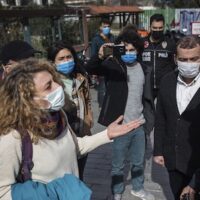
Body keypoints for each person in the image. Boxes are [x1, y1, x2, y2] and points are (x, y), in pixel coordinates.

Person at [0, 58, 141, 200]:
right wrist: (56, 192)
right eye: (48, 86)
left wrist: (106, 135)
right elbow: (3, 192)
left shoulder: (58, 115)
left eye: (54, 80)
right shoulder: (13, 137)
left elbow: (74, 147)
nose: (58, 86)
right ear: (27, 99)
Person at [86, 30, 155, 200]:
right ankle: (117, 191)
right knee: (118, 164)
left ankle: (137, 188)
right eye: (125, 50)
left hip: (139, 124)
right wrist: (100, 55)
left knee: (139, 162)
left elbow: (147, 96)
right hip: (120, 125)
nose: (129, 53)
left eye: (132, 50)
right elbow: (91, 68)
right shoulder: (113, 65)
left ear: (138, 50)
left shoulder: (144, 68)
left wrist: (149, 119)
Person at [153, 35, 200, 200]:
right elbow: (160, 119)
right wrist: (158, 150)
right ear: (175, 59)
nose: (188, 64)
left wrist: (194, 183)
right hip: (173, 161)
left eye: (193, 59)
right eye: (183, 59)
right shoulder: (167, 81)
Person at [47, 41, 93, 180]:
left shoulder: (80, 78)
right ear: (53, 62)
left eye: (69, 57)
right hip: (60, 139)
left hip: (81, 135)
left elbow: (87, 101)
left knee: (80, 175)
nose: (66, 61)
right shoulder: (49, 84)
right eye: (61, 59)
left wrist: (89, 118)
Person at [141, 13, 176, 99]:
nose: (158, 30)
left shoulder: (170, 43)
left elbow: (174, 64)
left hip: (165, 87)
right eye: (155, 28)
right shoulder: (141, 43)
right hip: (146, 87)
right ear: (150, 27)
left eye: (160, 28)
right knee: (148, 112)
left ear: (163, 27)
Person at [91, 18, 115, 109]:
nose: (107, 28)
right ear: (100, 27)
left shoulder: (112, 37)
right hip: (101, 66)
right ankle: (102, 106)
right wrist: (94, 71)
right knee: (102, 87)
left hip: (111, 65)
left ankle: (111, 104)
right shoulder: (96, 39)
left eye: (108, 26)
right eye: (105, 26)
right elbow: (93, 54)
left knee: (111, 85)